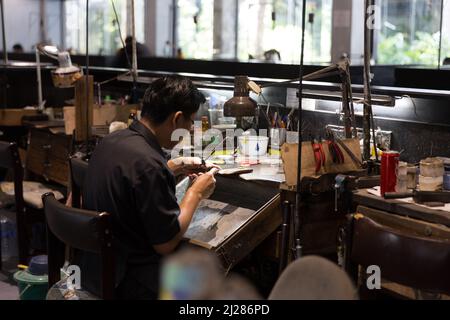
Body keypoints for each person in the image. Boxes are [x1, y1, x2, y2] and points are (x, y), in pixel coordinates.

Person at [78, 75, 218, 300]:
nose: (190, 129)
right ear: (177, 118)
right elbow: (165, 244)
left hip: (95, 268)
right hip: (129, 281)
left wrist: (172, 167)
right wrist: (195, 192)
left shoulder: (113, 141)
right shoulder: (150, 164)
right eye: (191, 121)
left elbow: (132, 184)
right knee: (213, 271)